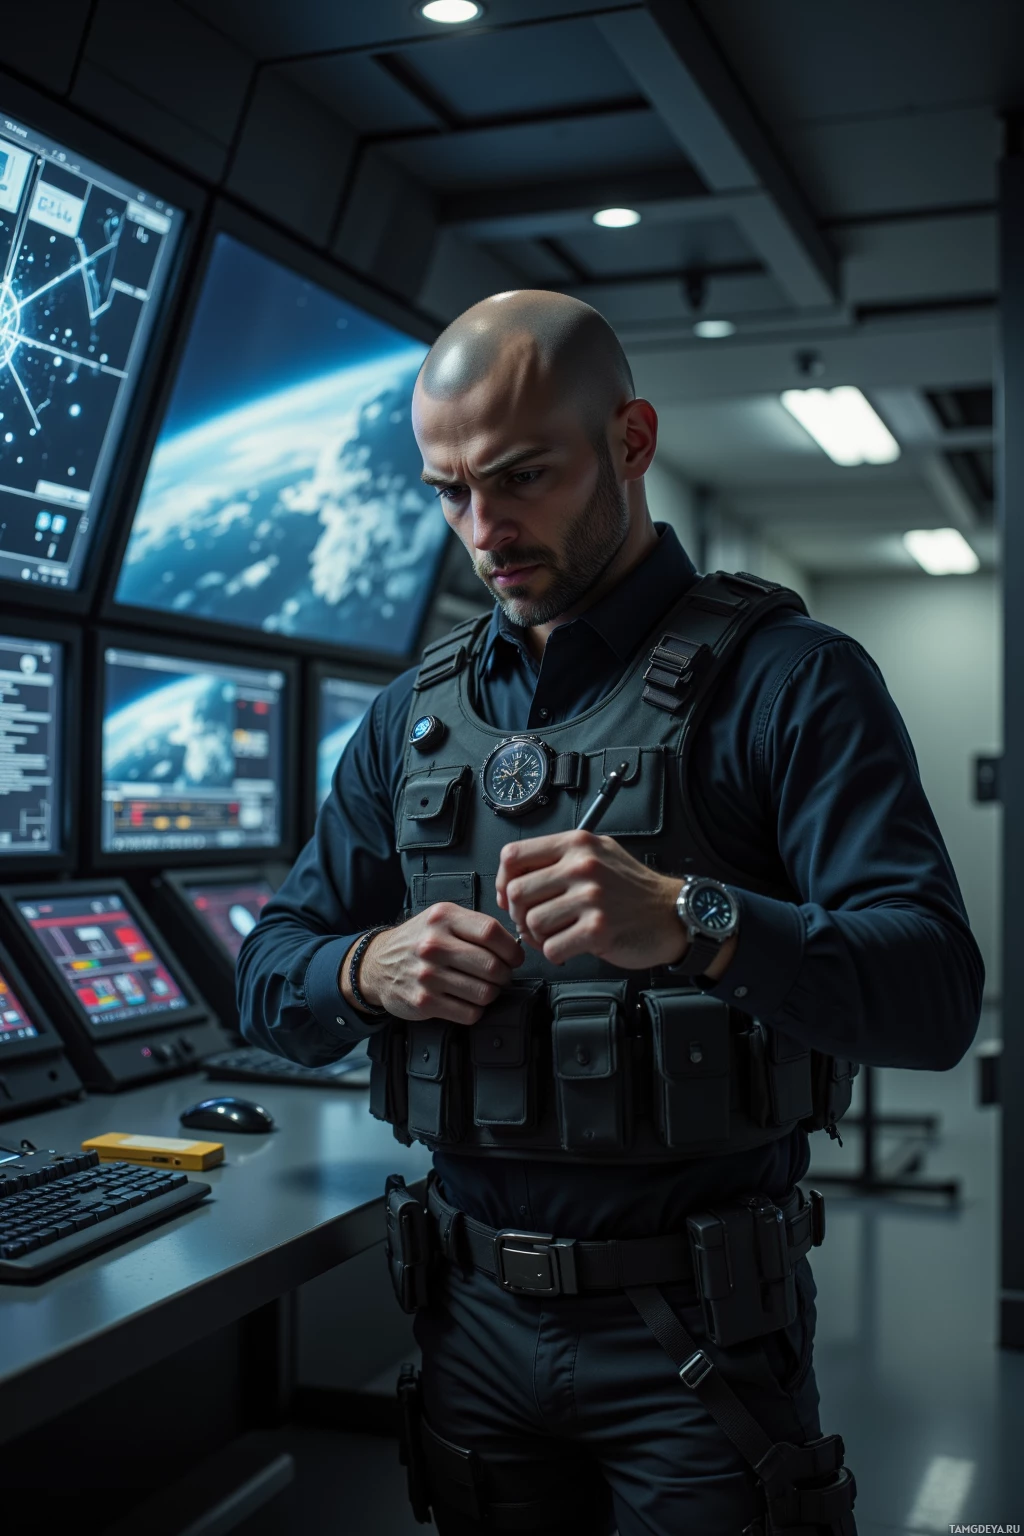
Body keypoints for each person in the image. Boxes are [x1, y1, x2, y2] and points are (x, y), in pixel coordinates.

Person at [237, 290, 983, 1535]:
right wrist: (370, 966)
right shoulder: (408, 722)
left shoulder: (792, 682)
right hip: (464, 1320)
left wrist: (699, 918)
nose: (484, 529)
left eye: (521, 476)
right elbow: (269, 975)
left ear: (630, 441)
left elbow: (934, 994)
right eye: (449, 491)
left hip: (695, 1340)